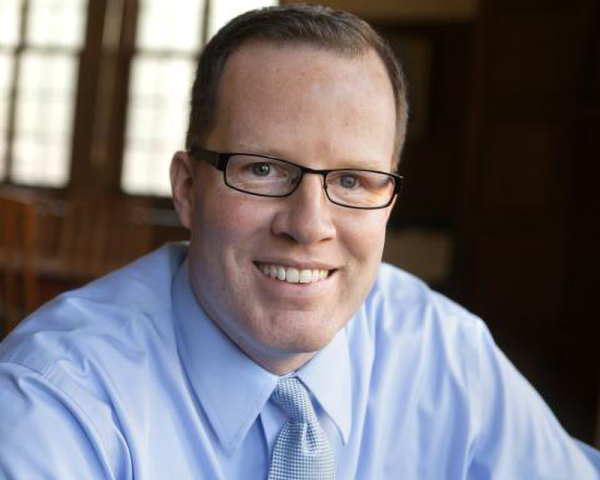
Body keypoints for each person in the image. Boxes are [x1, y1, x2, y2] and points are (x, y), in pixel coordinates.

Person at [0, 5, 598, 479]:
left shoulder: (444, 353)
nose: (309, 224)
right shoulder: (54, 401)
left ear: (388, 200)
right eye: (263, 170)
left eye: (353, 180)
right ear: (187, 188)